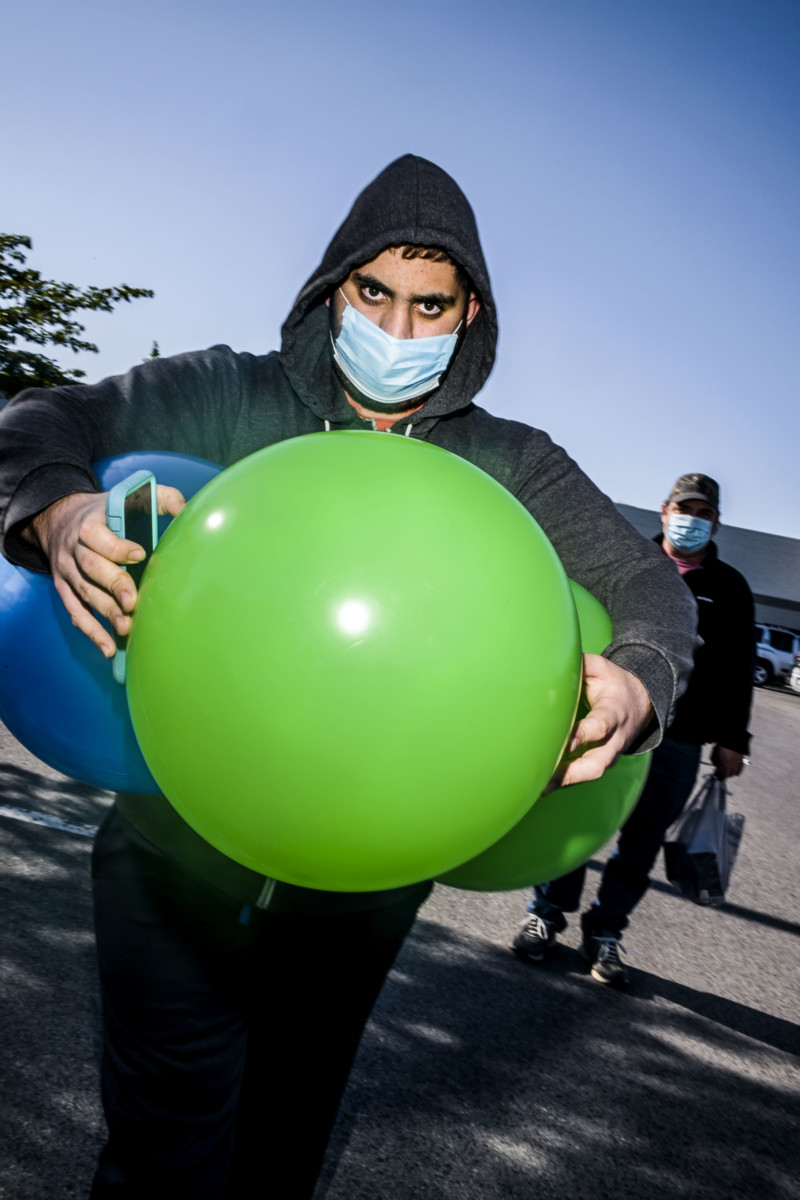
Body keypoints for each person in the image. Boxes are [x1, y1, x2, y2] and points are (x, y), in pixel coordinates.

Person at [0, 155, 699, 1198]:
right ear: (333, 288)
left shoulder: (507, 464)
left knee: (283, 1148)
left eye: (430, 305)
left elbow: (649, 586)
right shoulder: (228, 393)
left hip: (359, 890)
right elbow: (35, 421)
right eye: (373, 293)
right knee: (163, 1154)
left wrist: (641, 677)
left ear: (469, 315)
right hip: (169, 859)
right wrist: (60, 513)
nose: (396, 327)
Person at [512, 472, 755, 989]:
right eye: (684, 509)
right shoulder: (628, 564)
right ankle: (546, 915)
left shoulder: (730, 588)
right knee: (573, 819)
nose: (692, 520)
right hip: (612, 718)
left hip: (680, 736)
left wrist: (734, 739)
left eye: (704, 513)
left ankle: (605, 932)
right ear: (664, 511)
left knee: (642, 842)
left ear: (716, 523)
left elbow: (738, 669)